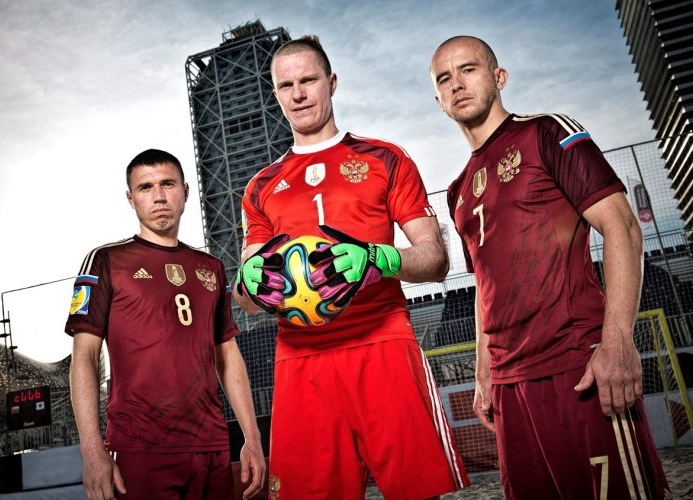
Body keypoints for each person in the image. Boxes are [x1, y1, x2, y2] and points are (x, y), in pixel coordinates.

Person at [430, 35, 671, 499]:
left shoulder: (547, 133)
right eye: (444, 78)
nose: (456, 83)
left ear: (499, 78)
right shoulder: (459, 189)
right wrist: (485, 375)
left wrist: (618, 341)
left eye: (469, 69)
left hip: (575, 367)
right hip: (508, 388)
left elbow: (622, 226)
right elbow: (485, 285)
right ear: (438, 100)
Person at [234, 35, 468, 499]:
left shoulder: (385, 158)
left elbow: (436, 259)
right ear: (275, 93)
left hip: (381, 343)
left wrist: (376, 258)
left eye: (308, 80)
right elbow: (249, 302)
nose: (298, 93)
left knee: (417, 494)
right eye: (286, 85)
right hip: (302, 360)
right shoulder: (260, 186)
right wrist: (250, 281)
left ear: (332, 82)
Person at [66, 149, 266, 499]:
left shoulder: (212, 268)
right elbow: (84, 358)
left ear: (185, 191)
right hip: (141, 448)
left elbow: (227, 355)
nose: (158, 196)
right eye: (146, 187)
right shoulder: (106, 260)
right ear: (131, 198)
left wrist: (252, 436)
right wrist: (92, 450)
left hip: (211, 445)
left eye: (168, 184)